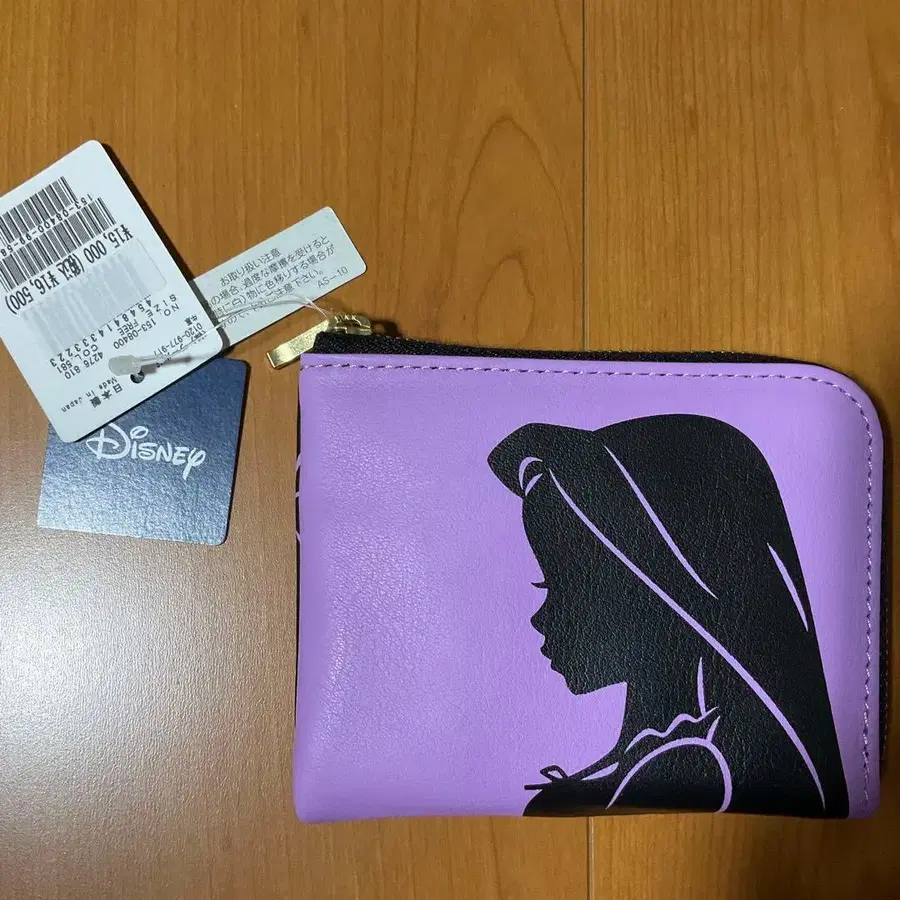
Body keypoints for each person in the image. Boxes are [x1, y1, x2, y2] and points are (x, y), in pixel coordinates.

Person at [488, 415, 848, 817]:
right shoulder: (686, 758)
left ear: (662, 584)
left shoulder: (694, 765)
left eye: (563, 584)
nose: (540, 618)